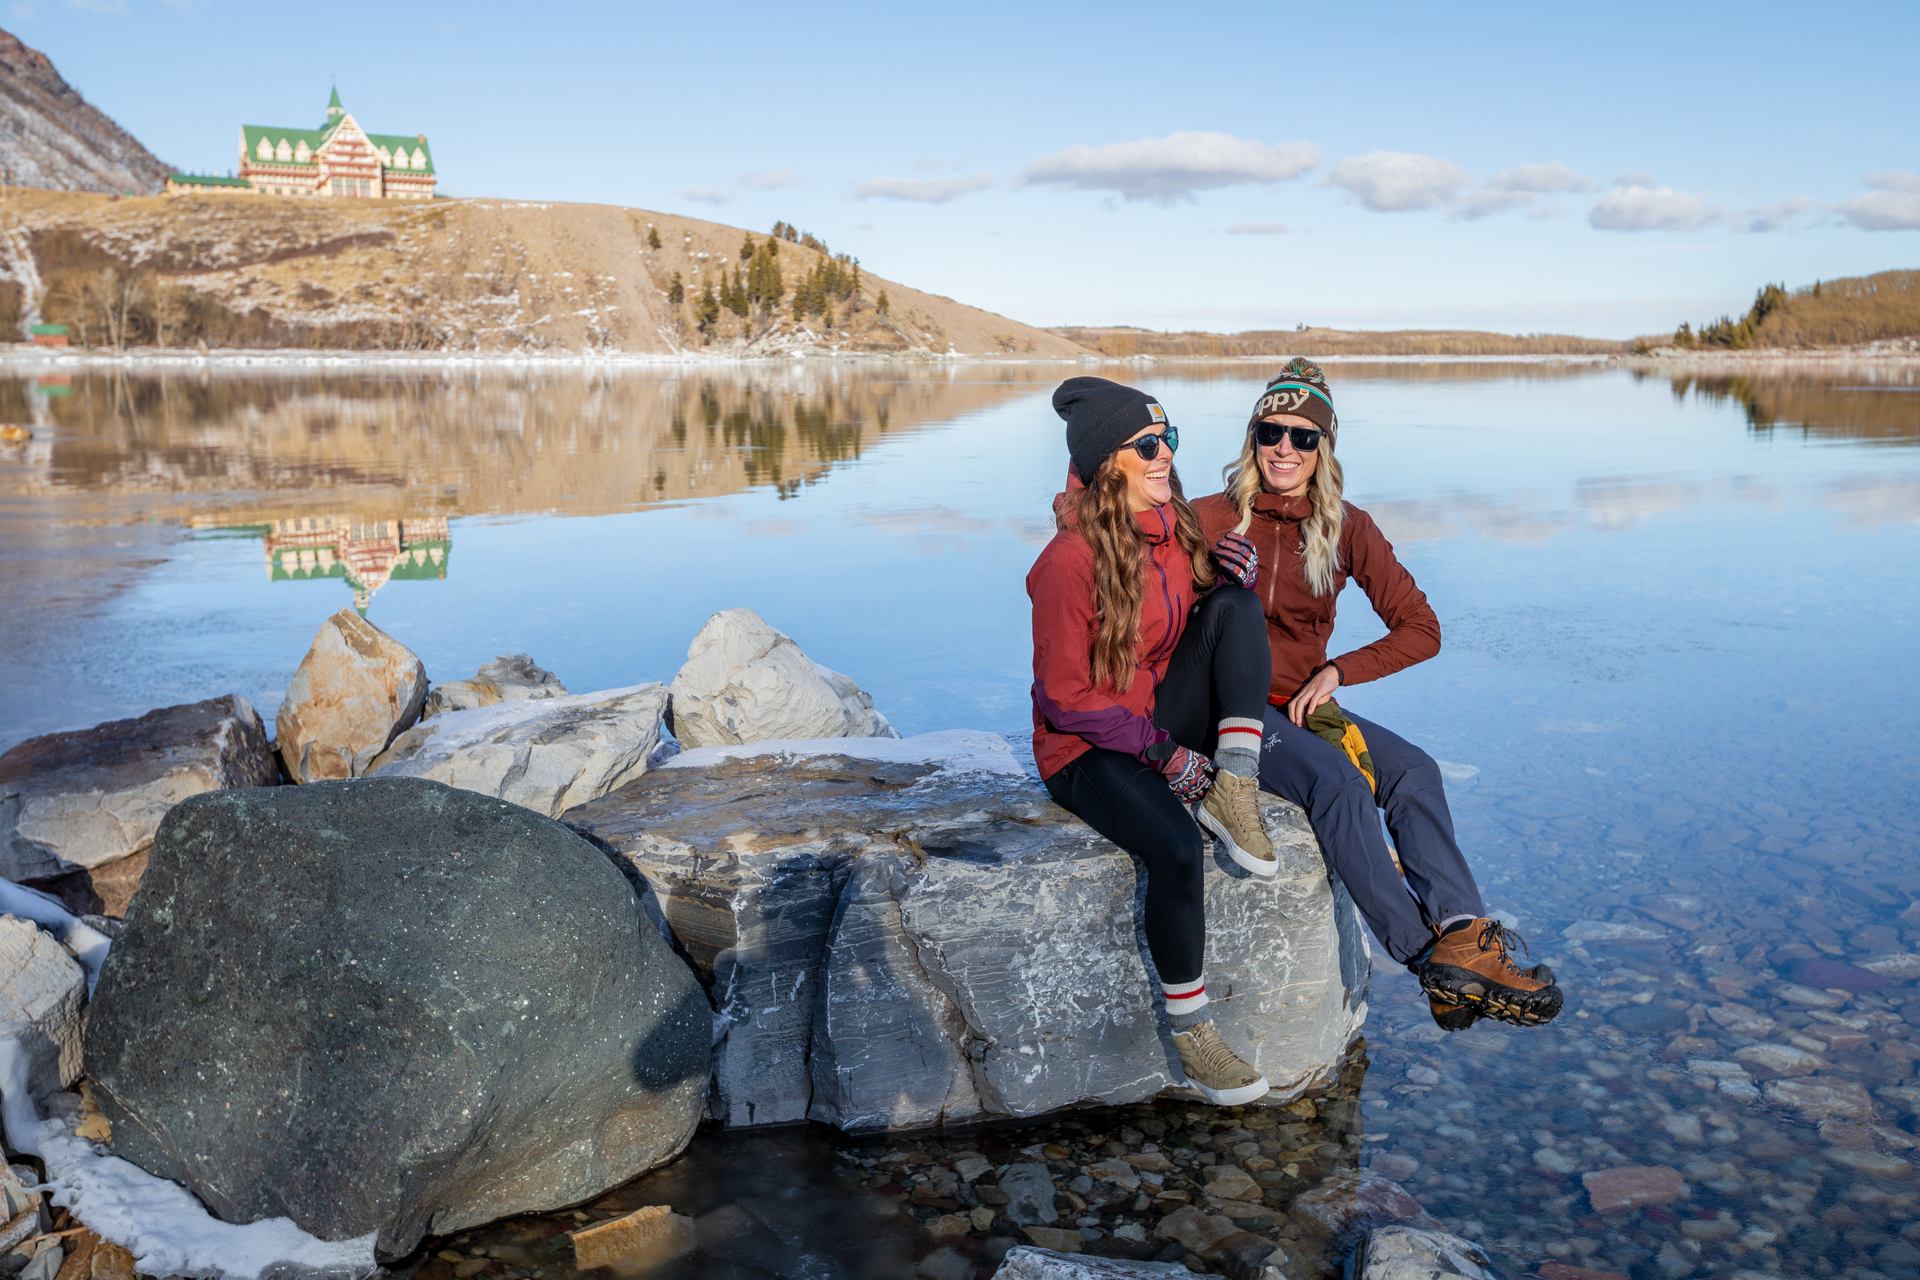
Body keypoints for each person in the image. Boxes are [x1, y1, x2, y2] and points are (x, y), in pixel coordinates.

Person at [1194, 358, 1563, 1030]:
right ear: (1253, 439)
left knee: (1413, 770)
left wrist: (1337, 671)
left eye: (1303, 437)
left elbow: (1422, 629)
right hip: (1232, 710)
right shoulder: (1208, 517)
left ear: (1323, 449)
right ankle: (1428, 959)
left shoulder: (1345, 527)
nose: (1285, 449)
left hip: (1302, 702)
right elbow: (1127, 560)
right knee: (1339, 785)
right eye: (1272, 432)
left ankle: (1462, 934)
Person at [1028, 375, 1281, 1105]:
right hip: (1084, 749)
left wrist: (1224, 575)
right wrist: (1167, 756)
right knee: (1173, 846)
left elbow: (1180, 615)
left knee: (1235, 604)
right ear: (1110, 462)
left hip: (1147, 719)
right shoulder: (1067, 563)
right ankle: (1195, 1035)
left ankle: (1234, 785)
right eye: (1148, 445)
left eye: (1169, 439)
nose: (1166, 454)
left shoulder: (1174, 527)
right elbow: (1066, 698)